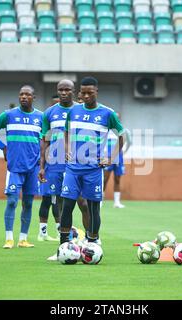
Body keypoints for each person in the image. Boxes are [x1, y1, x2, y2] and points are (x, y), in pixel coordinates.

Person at [57, 76, 124, 247]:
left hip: (94, 169)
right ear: (79, 93)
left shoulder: (107, 113)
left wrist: (110, 158)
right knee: (67, 206)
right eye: (83, 93)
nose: (86, 96)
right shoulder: (73, 111)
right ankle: (64, 245)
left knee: (93, 208)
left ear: (96, 92)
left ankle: (92, 244)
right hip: (72, 168)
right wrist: (66, 149)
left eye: (90, 93)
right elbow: (66, 131)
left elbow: (122, 136)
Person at [0, 85, 43, 249]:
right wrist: (2, 147)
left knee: (28, 203)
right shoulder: (9, 115)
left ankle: (23, 239)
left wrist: (43, 159)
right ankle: (9, 238)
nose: (24, 97)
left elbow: (47, 139)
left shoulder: (41, 117)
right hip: (15, 167)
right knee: (12, 201)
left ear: (34, 97)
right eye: (21, 94)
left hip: (33, 168)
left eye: (27, 94)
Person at [38, 80, 90, 245]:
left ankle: (91, 239)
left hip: (78, 162)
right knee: (60, 203)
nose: (63, 92)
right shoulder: (49, 113)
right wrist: (42, 166)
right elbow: (44, 140)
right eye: (60, 89)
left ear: (74, 91)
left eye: (67, 89)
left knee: (83, 202)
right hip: (55, 163)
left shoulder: (80, 110)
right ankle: (65, 244)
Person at [103, 113, 131, 208]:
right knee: (104, 179)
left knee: (117, 179)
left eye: (118, 117)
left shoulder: (124, 131)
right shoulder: (106, 130)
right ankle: (100, 200)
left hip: (119, 158)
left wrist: (124, 152)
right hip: (108, 157)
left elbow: (129, 142)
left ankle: (117, 202)